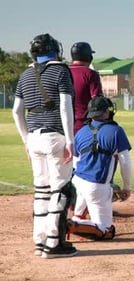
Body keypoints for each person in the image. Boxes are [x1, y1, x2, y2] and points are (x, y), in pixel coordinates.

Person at [12, 33, 77, 258]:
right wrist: (70, 139)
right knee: (61, 189)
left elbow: (16, 111)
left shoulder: (25, 74)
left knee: (41, 191)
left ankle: (39, 241)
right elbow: (65, 106)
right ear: (55, 50)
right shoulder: (61, 71)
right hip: (55, 135)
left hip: (34, 138)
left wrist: (26, 140)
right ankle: (53, 244)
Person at [68, 96, 132, 240]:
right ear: (105, 112)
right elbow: (125, 162)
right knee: (106, 232)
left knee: (83, 199)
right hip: (97, 185)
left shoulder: (81, 131)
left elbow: (75, 161)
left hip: (78, 181)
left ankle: (77, 219)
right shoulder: (116, 130)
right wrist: (126, 188)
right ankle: (70, 225)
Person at [69, 42, 103, 134]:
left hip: (62, 126)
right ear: (88, 57)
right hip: (83, 125)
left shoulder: (62, 71)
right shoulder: (90, 74)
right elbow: (97, 102)